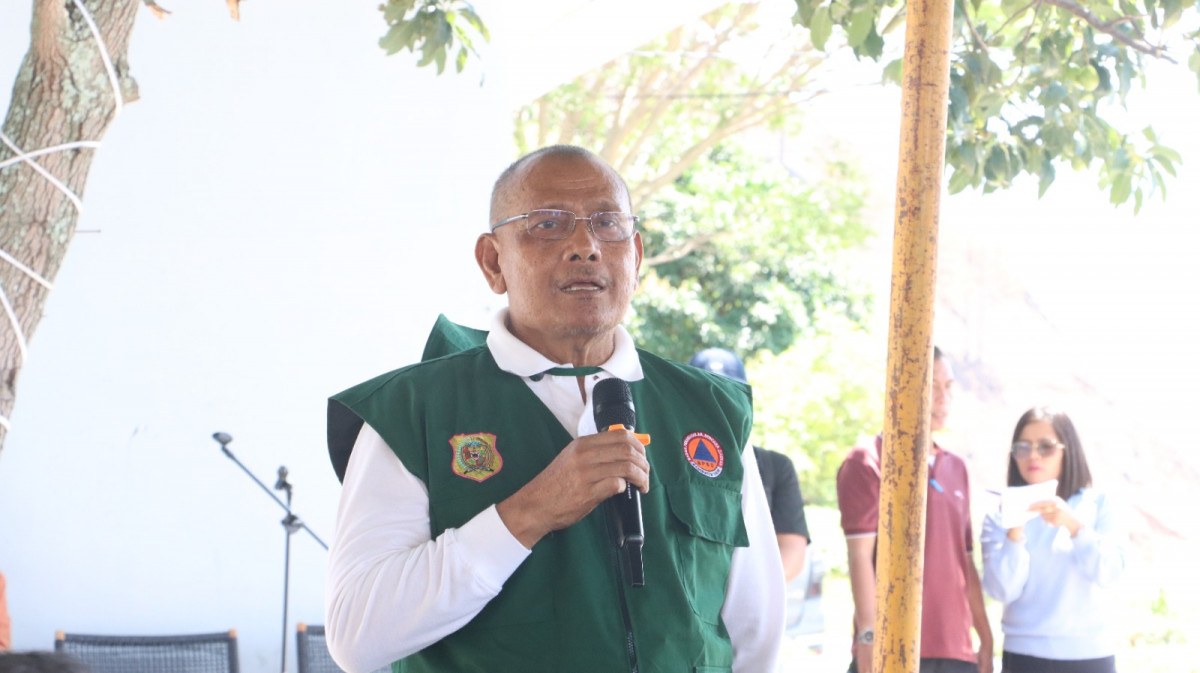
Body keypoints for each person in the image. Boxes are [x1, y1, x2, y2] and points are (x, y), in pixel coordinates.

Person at [324, 145, 785, 673]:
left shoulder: (710, 411)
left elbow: (756, 634)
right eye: (547, 224)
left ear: (635, 255)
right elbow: (356, 637)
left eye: (607, 224)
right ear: (493, 262)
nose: (585, 247)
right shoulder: (413, 411)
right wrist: (529, 512)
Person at [836, 347, 993, 673]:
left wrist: (986, 638)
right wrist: (869, 638)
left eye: (948, 386)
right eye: (932, 386)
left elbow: (964, 561)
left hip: (957, 652)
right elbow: (860, 555)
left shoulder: (957, 467)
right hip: (893, 647)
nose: (943, 398)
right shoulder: (868, 458)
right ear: (899, 385)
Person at [979, 407, 1126, 673]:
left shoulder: (1099, 504)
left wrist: (1074, 526)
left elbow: (1111, 574)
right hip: (1024, 655)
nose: (1033, 455)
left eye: (1045, 447)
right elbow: (1001, 591)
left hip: (1091, 655)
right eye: (1023, 447)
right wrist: (1015, 531)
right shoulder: (999, 516)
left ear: (1068, 450)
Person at [688, 348, 810, 581]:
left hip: (750, 597)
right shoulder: (664, 458)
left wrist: (753, 589)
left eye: (728, 394)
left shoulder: (775, 467)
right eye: (705, 394)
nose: (718, 405)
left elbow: (792, 548)